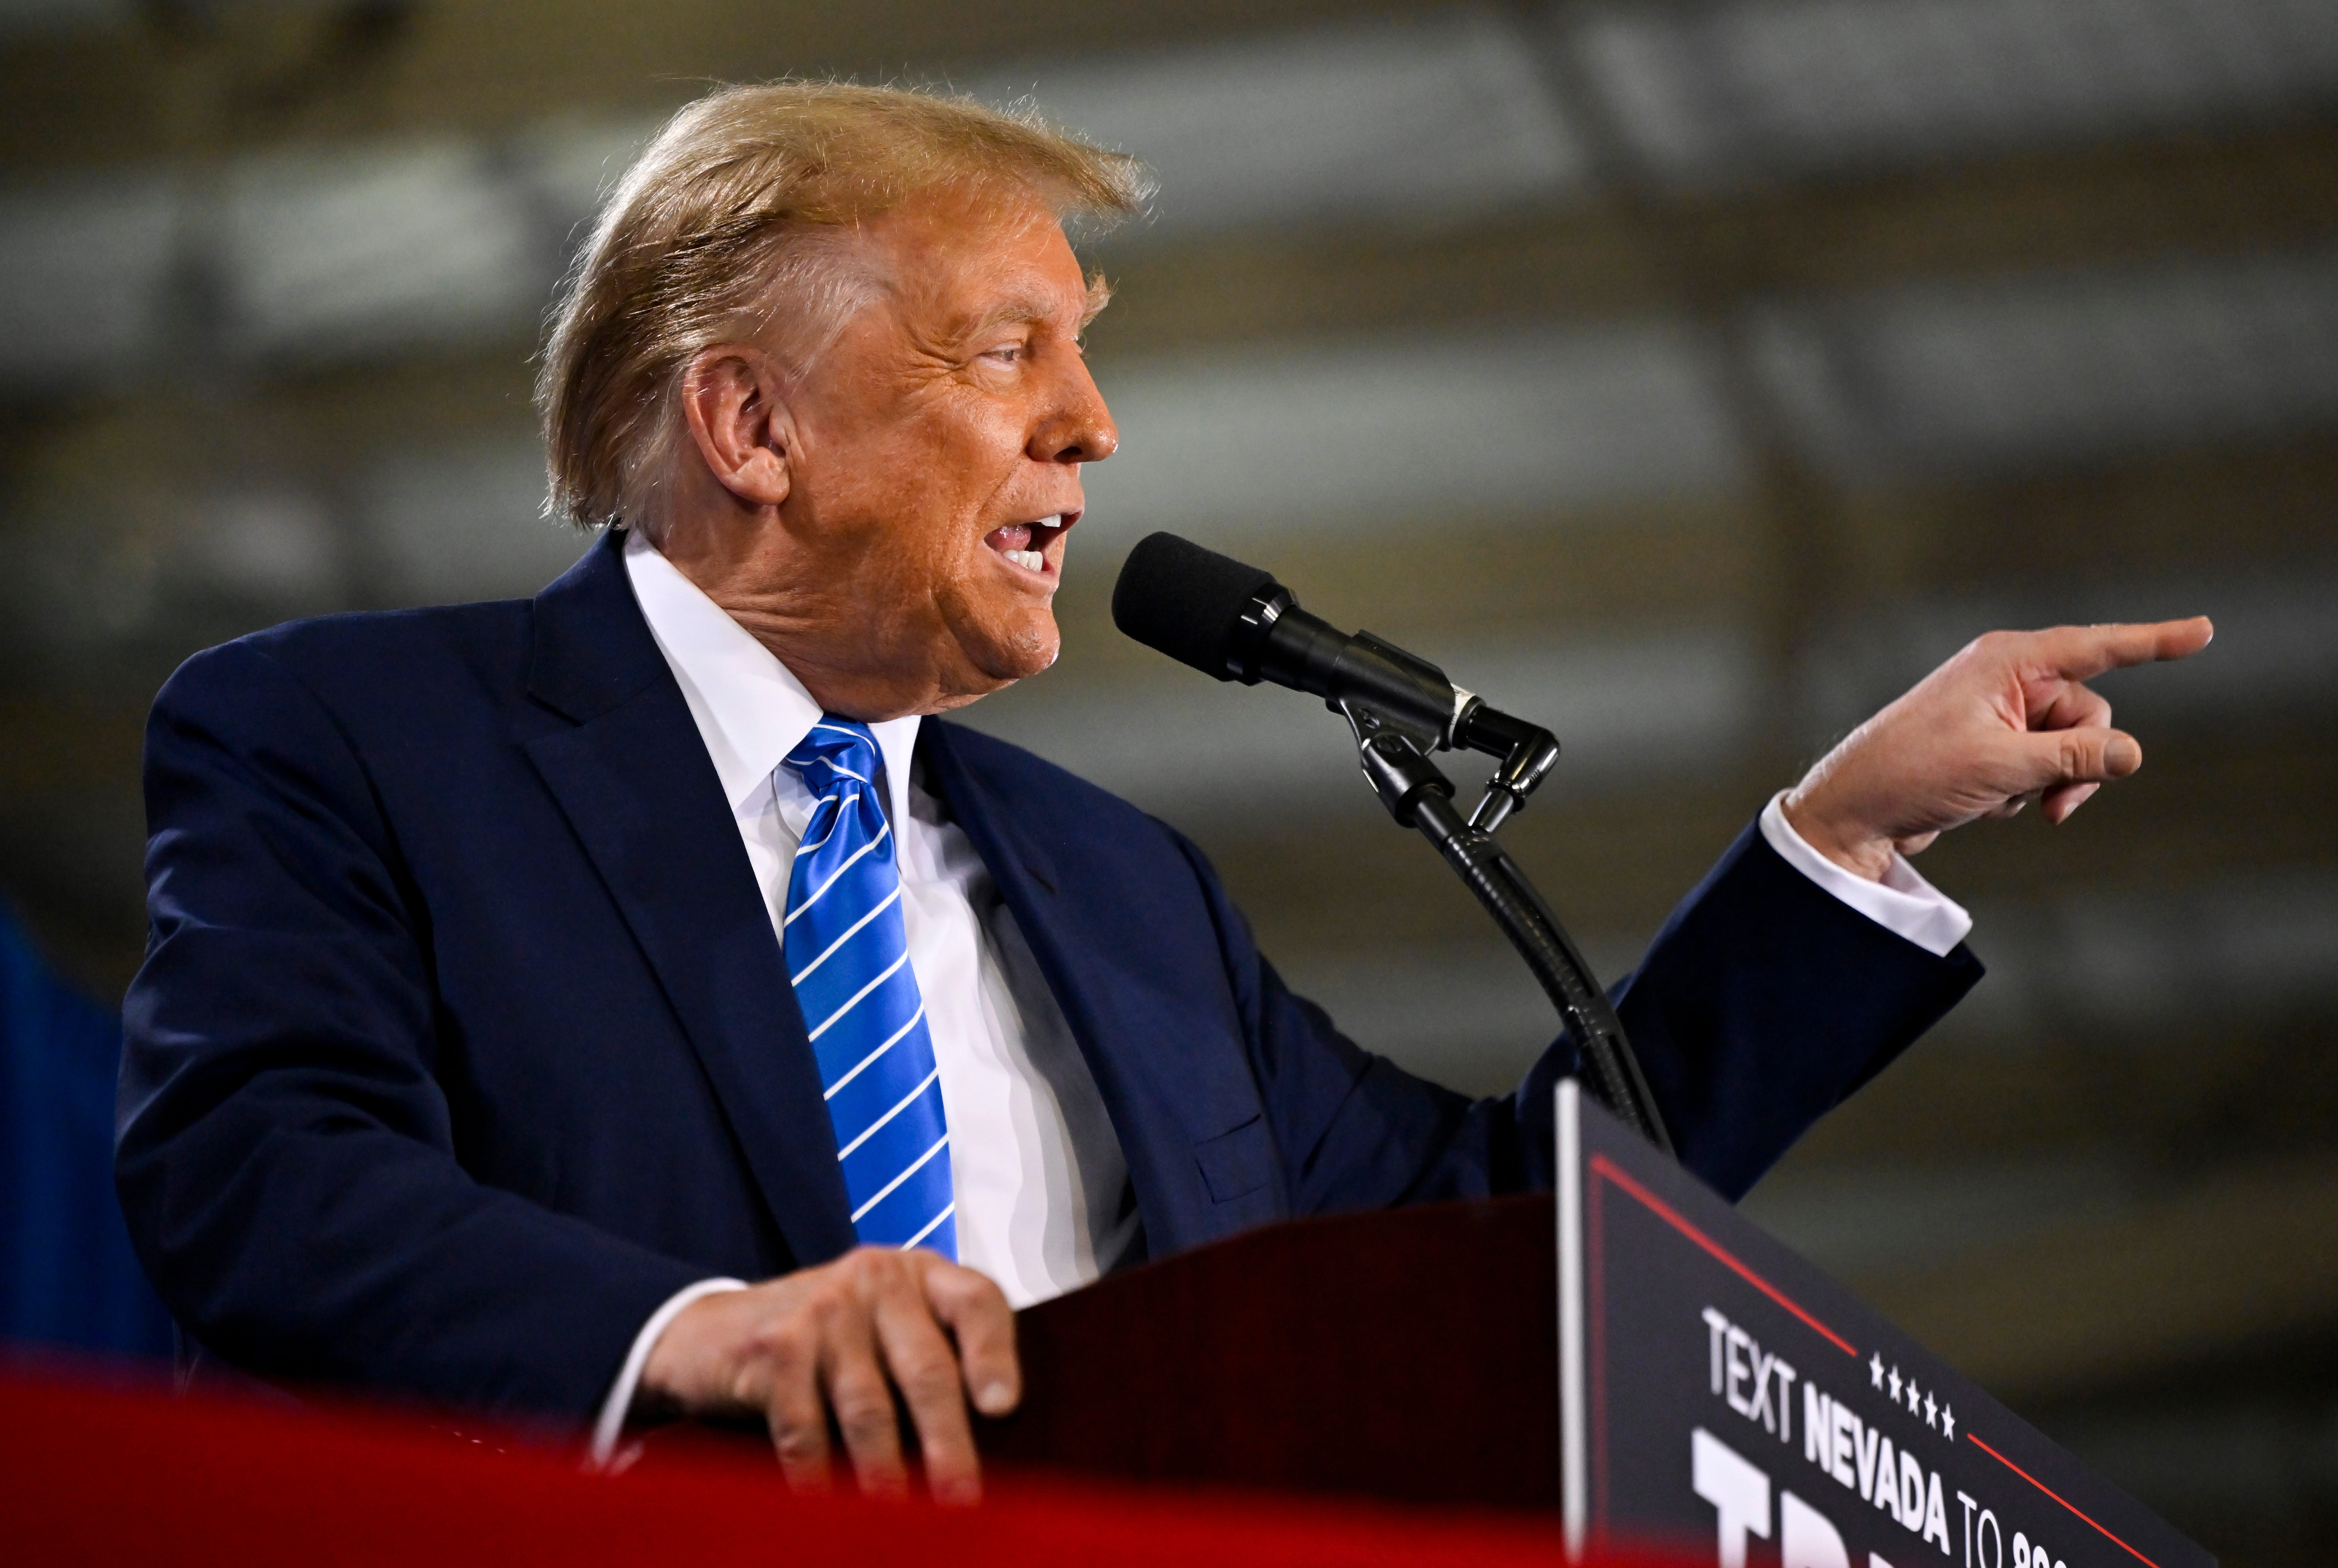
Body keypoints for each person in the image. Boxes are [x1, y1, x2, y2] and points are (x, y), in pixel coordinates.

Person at [116, 83, 2209, 1504]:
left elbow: (1495, 1235)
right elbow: (258, 1173)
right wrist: (705, 1334)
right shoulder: (353, 738)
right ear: (752, 423)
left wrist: (1838, 840)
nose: (1095, 427)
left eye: (1084, 353)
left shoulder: (1121, 892)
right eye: (1005, 348)